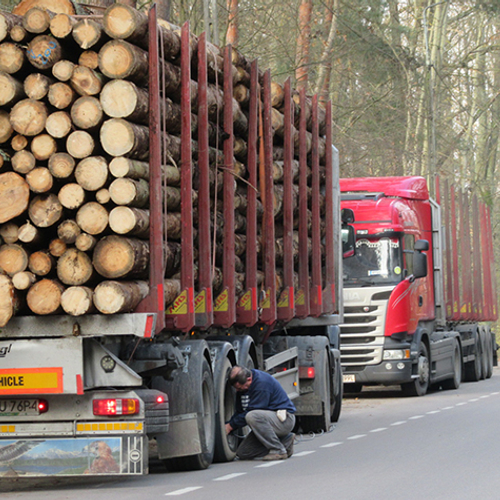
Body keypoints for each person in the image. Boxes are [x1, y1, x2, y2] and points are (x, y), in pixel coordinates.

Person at [225, 365, 296, 461]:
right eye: (236, 388)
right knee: (243, 453)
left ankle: (278, 450)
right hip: (268, 421)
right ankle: (285, 441)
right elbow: (240, 411)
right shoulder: (244, 387)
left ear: (249, 379)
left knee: (252, 416)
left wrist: (230, 426)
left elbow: (251, 412)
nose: (238, 391)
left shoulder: (262, 384)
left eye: (240, 388)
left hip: (283, 420)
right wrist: (229, 424)